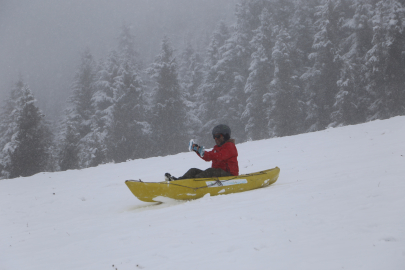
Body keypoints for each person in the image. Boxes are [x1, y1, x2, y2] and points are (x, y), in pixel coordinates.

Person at [165, 124, 239, 181]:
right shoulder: (217, 148)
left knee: (210, 171)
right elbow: (208, 157)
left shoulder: (230, 146)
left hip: (229, 175)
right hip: (217, 174)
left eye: (218, 136)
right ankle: (178, 182)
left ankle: (193, 183)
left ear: (225, 136)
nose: (215, 138)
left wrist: (202, 152)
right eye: (214, 137)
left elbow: (219, 156)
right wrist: (197, 150)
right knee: (193, 171)